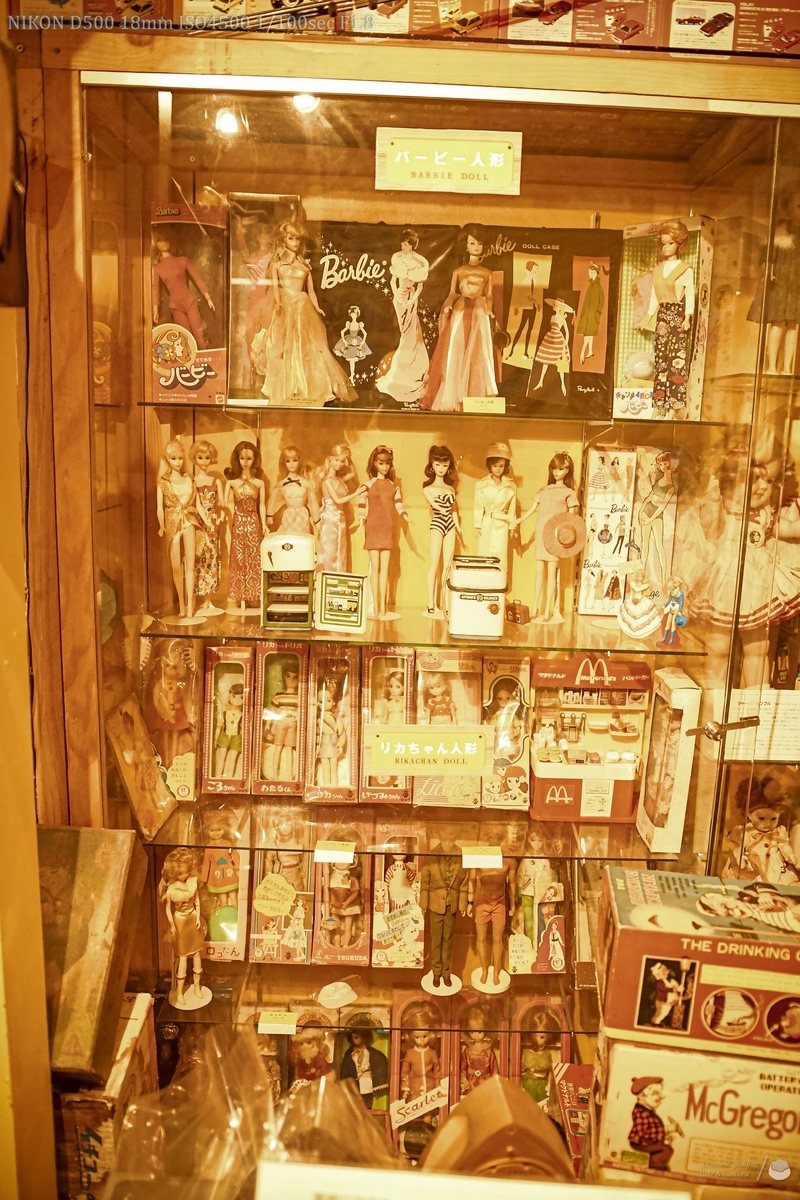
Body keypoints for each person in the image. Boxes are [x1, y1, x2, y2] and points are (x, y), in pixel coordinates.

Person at [628, 1077, 675, 1170]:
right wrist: (665, 1131)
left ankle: (657, 1165)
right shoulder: (641, 1113)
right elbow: (641, 1132)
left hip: (647, 1141)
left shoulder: (648, 1112)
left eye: (660, 1093)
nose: (661, 1096)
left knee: (666, 1148)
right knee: (665, 1150)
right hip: (640, 1143)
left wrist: (665, 1134)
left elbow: (653, 1128)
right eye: (656, 1093)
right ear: (642, 1096)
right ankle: (656, 1166)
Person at [340, 1024, 389, 1109]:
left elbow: (379, 1061)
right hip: (354, 1084)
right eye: (354, 1033)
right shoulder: (350, 1053)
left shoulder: (371, 1053)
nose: (356, 1036)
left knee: (366, 1104)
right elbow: (345, 1069)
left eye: (359, 1033)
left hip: (366, 1082)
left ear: (365, 1036)